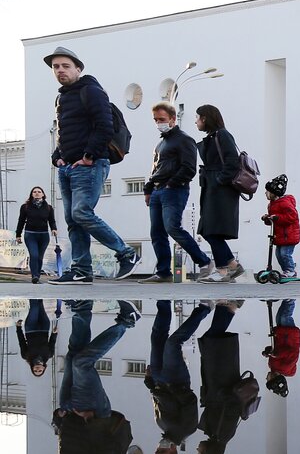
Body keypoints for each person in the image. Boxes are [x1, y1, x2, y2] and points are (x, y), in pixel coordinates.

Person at [44, 47, 140, 284]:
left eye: (65, 66)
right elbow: (64, 132)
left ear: (78, 68)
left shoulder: (92, 91)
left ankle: (126, 253)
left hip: (90, 164)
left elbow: (104, 126)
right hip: (68, 166)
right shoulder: (62, 97)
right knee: (73, 220)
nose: (60, 70)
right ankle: (81, 269)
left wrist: (88, 156)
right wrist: (57, 155)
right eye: (56, 67)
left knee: (81, 213)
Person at [45, 299, 138, 454]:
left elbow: (65, 440)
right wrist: (90, 421)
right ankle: (126, 322)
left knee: (73, 355)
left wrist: (59, 418)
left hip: (70, 410)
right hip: (92, 413)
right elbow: (104, 452)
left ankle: (82, 308)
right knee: (82, 363)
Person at [141, 101, 214, 283]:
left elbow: (189, 167)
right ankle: (163, 271)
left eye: (162, 119)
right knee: (157, 233)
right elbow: (155, 170)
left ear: (173, 119)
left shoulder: (184, 139)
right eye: (156, 120)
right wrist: (148, 189)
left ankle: (204, 262)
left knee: (172, 227)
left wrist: (171, 184)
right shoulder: (160, 144)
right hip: (158, 191)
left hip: (174, 190)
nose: (159, 123)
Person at [147, 300, 209, 454]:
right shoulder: (186, 429)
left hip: (159, 379)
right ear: (173, 452)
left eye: (157, 450)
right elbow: (190, 402)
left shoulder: (162, 426)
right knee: (172, 343)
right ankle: (204, 310)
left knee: (157, 337)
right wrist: (171, 390)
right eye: (162, 451)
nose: (159, 447)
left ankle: (163, 301)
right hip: (175, 380)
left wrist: (151, 384)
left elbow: (158, 400)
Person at [197, 300, 254, 454]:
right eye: (199, 453)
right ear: (208, 452)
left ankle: (228, 307)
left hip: (217, 378)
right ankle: (229, 307)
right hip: (222, 376)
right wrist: (219, 394)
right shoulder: (222, 433)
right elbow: (232, 406)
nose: (197, 449)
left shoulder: (218, 435)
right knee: (212, 340)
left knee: (212, 339)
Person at [194, 105, 245, 283]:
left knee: (211, 230)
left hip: (221, 190)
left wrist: (219, 181)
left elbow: (232, 161)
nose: (196, 121)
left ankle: (224, 270)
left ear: (206, 118)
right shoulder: (213, 136)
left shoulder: (222, 135)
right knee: (208, 230)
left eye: (198, 117)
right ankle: (231, 265)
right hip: (213, 189)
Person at [261, 174, 300, 279]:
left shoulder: (285, 203)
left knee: (285, 254)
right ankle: (286, 271)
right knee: (279, 255)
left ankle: (291, 270)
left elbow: (292, 216)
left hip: (288, 235)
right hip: (279, 236)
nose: (265, 193)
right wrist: (268, 218)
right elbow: (273, 220)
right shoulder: (271, 204)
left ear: (274, 193)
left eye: (267, 191)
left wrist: (277, 217)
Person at [16, 186, 57, 283]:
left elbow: (51, 220)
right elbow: (21, 221)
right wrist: (18, 234)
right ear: (31, 194)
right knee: (34, 255)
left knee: (40, 256)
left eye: (39, 192)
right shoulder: (25, 207)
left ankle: (37, 275)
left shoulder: (48, 207)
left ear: (43, 194)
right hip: (30, 234)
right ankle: (34, 275)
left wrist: (54, 229)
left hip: (43, 235)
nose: (37, 193)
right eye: (34, 192)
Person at [263, 299, 300, 397]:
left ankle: (286, 299)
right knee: (285, 317)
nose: (266, 378)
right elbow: (292, 353)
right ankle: (291, 298)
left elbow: (274, 350)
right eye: (268, 380)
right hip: (289, 337)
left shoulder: (272, 366)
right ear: (274, 379)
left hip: (281, 336)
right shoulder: (286, 368)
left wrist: (268, 352)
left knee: (279, 317)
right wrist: (277, 354)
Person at [17, 299, 57, 376]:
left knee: (34, 307)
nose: (38, 370)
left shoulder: (26, 356)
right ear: (44, 368)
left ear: (32, 368)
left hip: (31, 329)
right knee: (40, 303)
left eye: (35, 371)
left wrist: (18, 328)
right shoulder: (49, 355)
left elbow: (21, 342)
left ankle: (33, 288)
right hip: (44, 328)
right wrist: (54, 333)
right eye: (40, 371)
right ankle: (39, 287)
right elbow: (52, 342)